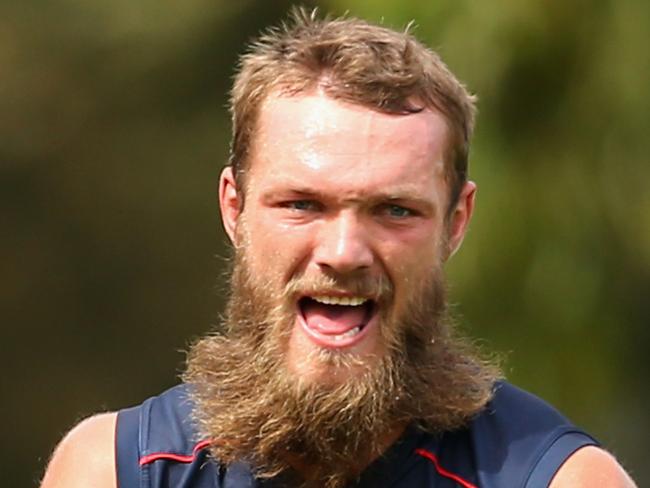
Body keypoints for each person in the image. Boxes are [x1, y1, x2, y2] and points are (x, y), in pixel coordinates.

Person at [40, 9, 636, 488]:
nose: (345, 252)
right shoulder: (115, 470)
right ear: (234, 207)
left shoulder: (561, 479)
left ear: (456, 222)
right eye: (301, 204)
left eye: (395, 210)